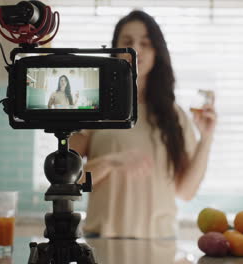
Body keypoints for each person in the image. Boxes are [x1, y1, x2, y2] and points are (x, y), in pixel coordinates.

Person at [70, 10, 216, 238]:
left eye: (145, 43)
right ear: (114, 50)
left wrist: (206, 138)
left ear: (156, 52)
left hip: (160, 243)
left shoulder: (174, 115)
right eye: (127, 42)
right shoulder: (93, 107)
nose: (136, 49)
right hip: (103, 242)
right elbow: (69, 181)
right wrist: (111, 162)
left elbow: (185, 190)